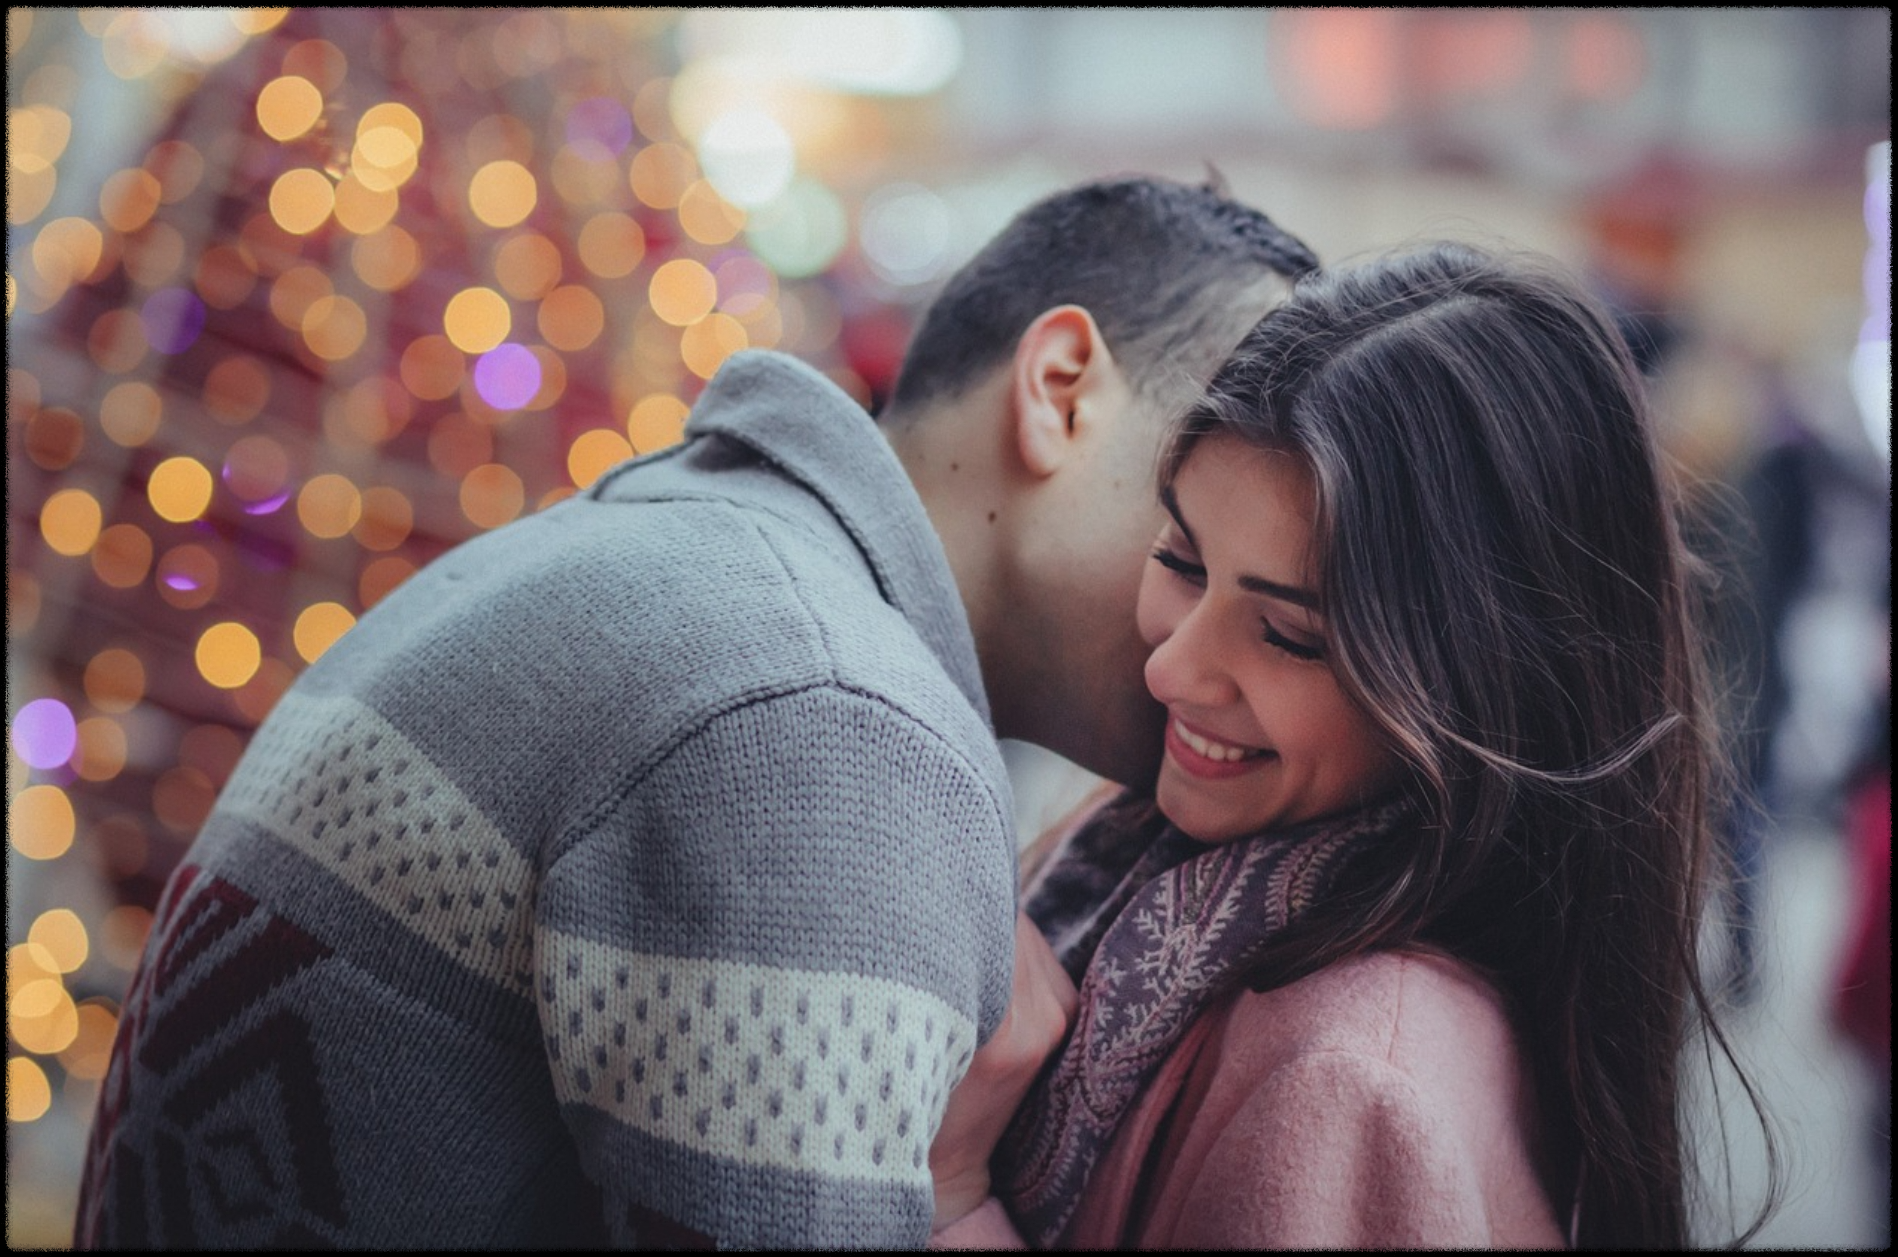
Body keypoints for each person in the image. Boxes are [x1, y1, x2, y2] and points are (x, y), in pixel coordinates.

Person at [72, 175, 1320, 1249]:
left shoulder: (675, 555)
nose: (1235, 604)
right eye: (1199, 502)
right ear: (1057, 390)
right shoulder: (824, 717)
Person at [935, 241, 1780, 1249]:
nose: (1169, 672)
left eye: (1289, 636)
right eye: (1180, 560)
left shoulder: (1349, 1077)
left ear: (1481, 685)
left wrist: (951, 1194)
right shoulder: (1166, 868)